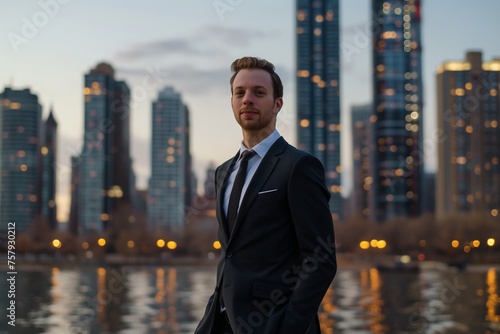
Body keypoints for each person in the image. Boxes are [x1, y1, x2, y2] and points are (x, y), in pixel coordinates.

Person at [194, 56, 337, 334]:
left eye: (259, 93)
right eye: (240, 93)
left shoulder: (298, 166)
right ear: (232, 102)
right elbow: (231, 254)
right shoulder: (223, 172)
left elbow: (321, 260)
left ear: (277, 104)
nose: (248, 99)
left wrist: (289, 327)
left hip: (273, 323)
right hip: (220, 322)